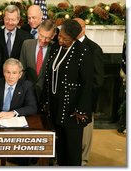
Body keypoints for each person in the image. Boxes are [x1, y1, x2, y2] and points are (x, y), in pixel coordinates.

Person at [42, 19, 93, 166]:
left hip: (73, 110)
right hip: (55, 106)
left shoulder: (83, 52)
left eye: (66, 39)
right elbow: (48, 75)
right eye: (60, 36)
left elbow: (87, 84)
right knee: (60, 146)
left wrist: (80, 109)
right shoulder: (55, 48)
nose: (61, 40)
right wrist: (45, 100)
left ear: (75, 38)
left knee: (72, 149)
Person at [73, 18, 104, 166]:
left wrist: (87, 102)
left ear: (84, 29)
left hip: (86, 102)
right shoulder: (67, 45)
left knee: (85, 137)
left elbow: (98, 80)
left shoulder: (93, 48)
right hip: (70, 101)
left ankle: (83, 163)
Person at [20, 19, 56, 108]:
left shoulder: (55, 48)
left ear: (53, 36)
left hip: (47, 96)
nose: (43, 40)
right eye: (41, 35)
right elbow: (22, 70)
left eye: (47, 37)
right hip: (28, 93)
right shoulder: (26, 44)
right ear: (38, 31)